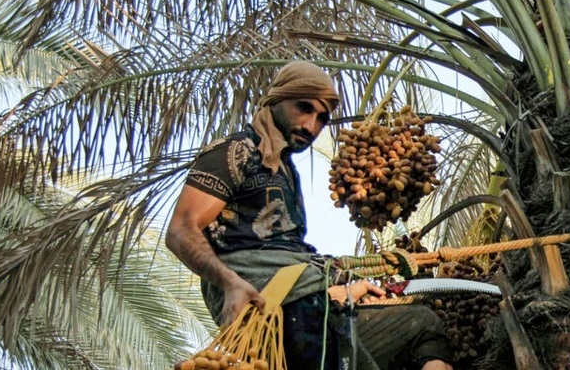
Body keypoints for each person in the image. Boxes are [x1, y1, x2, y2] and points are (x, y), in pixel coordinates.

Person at [166, 61, 452, 370]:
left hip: (310, 303)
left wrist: (342, 288)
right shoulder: (235, 151)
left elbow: (286, 254)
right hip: (273, 310)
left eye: (321, 118)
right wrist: (229, 283)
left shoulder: (285, 170)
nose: (311, 126)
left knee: (422, 325)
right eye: (303, 108)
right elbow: (181, 230)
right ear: (276, 100)